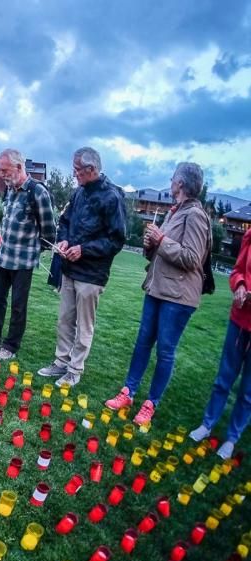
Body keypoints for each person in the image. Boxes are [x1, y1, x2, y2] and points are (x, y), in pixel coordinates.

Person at [105, 162, 211, 426]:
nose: (170, 181)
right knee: (142, 342)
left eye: (173, 178)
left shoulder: (196, 215)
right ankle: (128, 392)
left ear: (181, 184)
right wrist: (151, 245)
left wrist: (162, 240)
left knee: (165, 351)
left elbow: (192, 258)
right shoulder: (174, 212)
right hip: (156, 289)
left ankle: (150, 403)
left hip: (178, 297)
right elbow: (161, 253)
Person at [37, 149, 128, 389]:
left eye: (77, 170)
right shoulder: (78, 192)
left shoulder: (112, 197)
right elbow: (65, 222)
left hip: (92, 274)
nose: (74, 174)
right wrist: (65, 240)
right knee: (64, 320)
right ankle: (61, 360)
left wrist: (84, 249)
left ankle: (74, 370)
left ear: (92, 170)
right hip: (69, 268)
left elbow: (116, 239)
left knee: (84, 324)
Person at [0, 148, 56, 361]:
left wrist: (34, 248)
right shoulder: (10, 190)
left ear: (19, 167)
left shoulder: (37, 191)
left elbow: (49, 230)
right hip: (3, 257)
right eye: (0, 170)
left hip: (23, 261)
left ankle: (11, 346)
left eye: (5, 170)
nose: (2, 174)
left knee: (18, 305)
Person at [190, 227, 251, 460]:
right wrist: (241, 285)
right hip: (239, 319)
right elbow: (236, 271)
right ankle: (207, 424)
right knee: (224, 379)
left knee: (248, 392)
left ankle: (232, 438)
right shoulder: (249, 235)